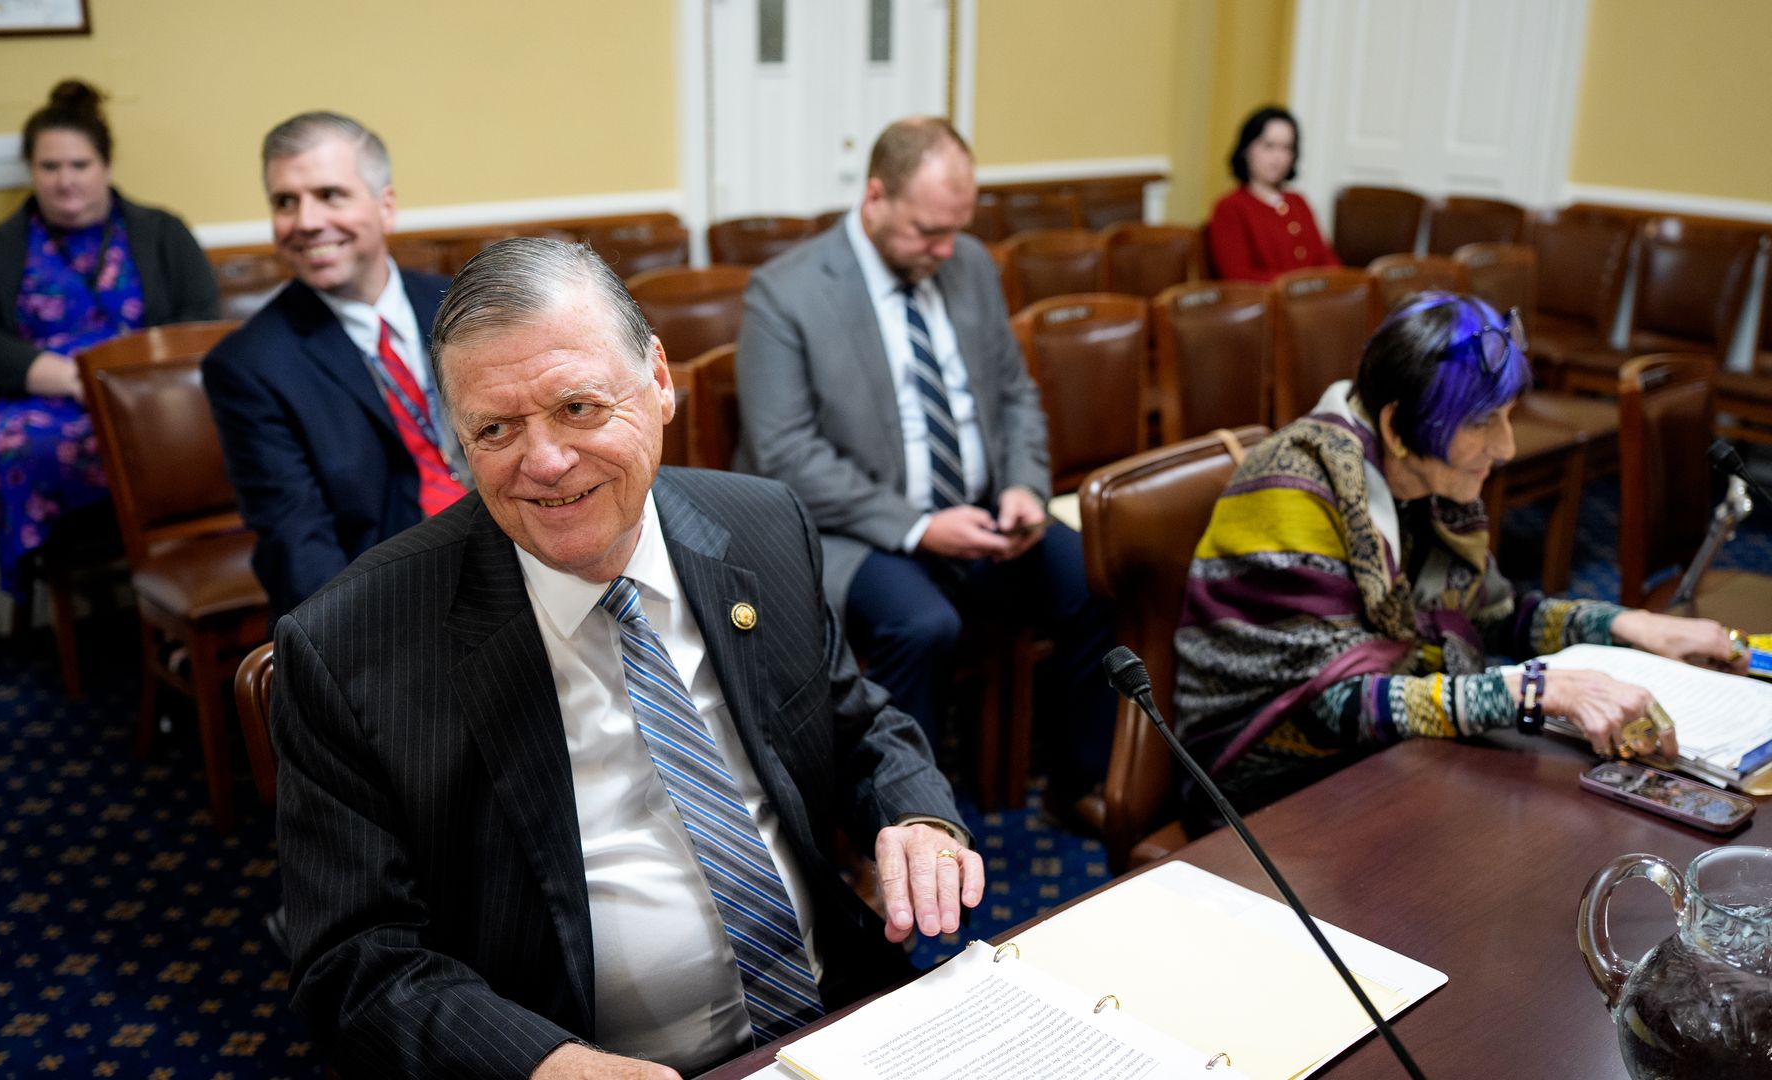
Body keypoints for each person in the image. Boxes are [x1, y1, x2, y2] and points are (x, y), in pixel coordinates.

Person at [273, 237, 981, 1079]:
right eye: (495, 429)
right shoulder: (351, 647)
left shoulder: (763, 527)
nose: (545, 463)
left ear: (660, 382)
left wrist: (918, 817)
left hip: (833, 1015)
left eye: (578, 407)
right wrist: (543, 1064)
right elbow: (355, 958)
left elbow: (856, 724)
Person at [1173, 292, 1742, 817]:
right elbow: (1335, 705)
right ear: (1396, 425)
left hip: (1376, 759)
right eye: (1481, 422)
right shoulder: (1294, 487)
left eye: (1507, 416)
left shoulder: (1425, 480)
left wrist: (1629, 625)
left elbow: (1497, 616)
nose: (1507, 447)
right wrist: (1537, 692)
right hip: (1263, 784)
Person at [735, 117, 1115, 807]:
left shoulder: (969, 264)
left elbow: (1014, 393)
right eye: (927, 232)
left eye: (956, 230)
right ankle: (908, 819)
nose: (945, 249)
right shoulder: (784, 292)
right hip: (855, 526)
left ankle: (1081, 786)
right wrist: (918, 527)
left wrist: (1025, 487)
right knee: (923, 624)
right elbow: (785, 454)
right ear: (875, 197)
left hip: (983, 509)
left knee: (1093, 578)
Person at [0, 79, 219, 598]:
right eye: (49, 167)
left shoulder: (164, 231)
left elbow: (199, 320)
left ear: (107, 165)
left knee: (203, 433)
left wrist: (127, 387)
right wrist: (76, 381)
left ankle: (199, 577)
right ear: (31, 171)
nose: (65, 180)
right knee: (15, 444)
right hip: (46, 400)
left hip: (150, 400)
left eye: (79, 165)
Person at [203, 111, 462, 619]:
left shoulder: (461, 304)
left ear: (386, 207)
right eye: (285, 202)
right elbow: (297, 542)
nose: (306, 221)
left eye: (330, 194)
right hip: (390, 599)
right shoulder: (250, 366)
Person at [1205, 105, 1341, 283]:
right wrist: (1301, 286)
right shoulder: (1230, 207)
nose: (1278, 157)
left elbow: (1327, 261)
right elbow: (1239, 277)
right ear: (1247, 148)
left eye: (1287, 148)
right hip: (1264, 300)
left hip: (1311, 298)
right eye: (1269, 146)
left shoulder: (1297, 201)